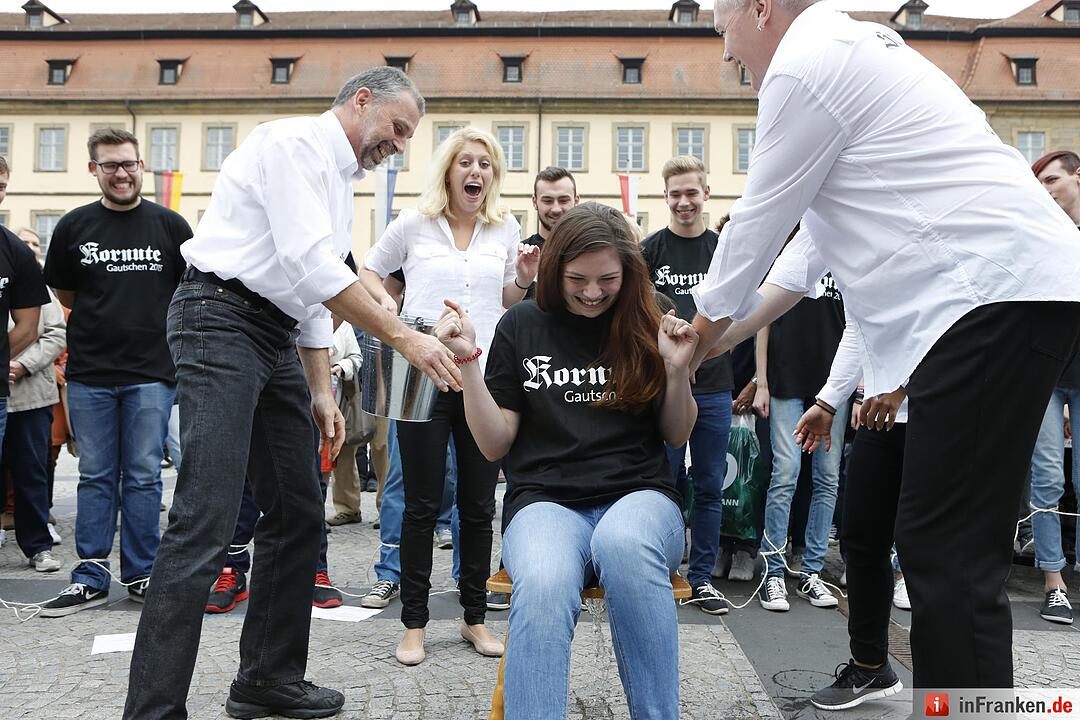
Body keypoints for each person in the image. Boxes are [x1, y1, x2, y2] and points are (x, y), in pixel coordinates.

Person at [692, 0, 1080, 688]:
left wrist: (695, 334)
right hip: (996, 299)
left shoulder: (805, 66)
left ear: (759, 8)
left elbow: (754, 225)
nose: (725, 52)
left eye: (723, 26)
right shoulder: (844, 62)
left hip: (987, 296)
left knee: (949, 559)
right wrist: (713, 343)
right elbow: (798, 262)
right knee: (943, 553)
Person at [121, 67, 458, 720]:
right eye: (395, 130)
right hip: (217, 316)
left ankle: (266, 680)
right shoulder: (292, 145)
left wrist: (320, 389)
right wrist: (406, 339)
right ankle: (152, 711)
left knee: (300, 511)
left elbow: (309, 297)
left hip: (273, 335)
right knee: (206, 516)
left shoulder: (337, 182)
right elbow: (314, 267)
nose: (396, 147)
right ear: (362, 101)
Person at [436, 202, 696, 718]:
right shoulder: (521, 325)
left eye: (608, 279)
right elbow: (494, 444)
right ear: (555, 270)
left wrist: (676, 371)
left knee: (622, 544)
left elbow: (676, 432)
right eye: (578, 278)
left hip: (640, 497)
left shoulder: (652, 318)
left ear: (629, 270)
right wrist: (468, 363)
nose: (593, 292)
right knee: (547, 581)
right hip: (546, 502)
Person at [360, 126, 539, 666]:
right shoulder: (414, 225)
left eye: (486, 164)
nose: (477, 172)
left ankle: (474, 619)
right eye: (466, 162)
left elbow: (507, 297)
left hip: (482, 378)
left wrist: (525, 280)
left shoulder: (505, 228)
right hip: (424, 374)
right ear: (448, 171)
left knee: (479, 505)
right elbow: (368, 272)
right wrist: (391, 318)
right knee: (420, 503)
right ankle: (413, 624)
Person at [40, 128, 190, 617]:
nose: (121, 173)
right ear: (94, 170)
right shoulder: (72, 226)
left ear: (141, 165)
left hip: (152, 373)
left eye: (128, 164)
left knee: (145, 476)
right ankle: (91, 575)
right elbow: (67, 296)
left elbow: (185, 296)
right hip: (90, 374)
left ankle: (143, 572)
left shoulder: (171, 227)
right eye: (110, 166)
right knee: (96, 475)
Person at [640, 155, 734, 615]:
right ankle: (666, 571)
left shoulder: (722, 251)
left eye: (691, 193)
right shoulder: (650, 250)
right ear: (666, 197)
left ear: (706, 194)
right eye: (675, 194)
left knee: (711, 484)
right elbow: (636, 315)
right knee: (666, 482)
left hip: (715, 386)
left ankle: (702, 579)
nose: (683, 202)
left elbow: (742, 312)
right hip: (665, 385)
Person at [1028, 149, 1080, 625]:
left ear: (1077, 178)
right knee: (1047, 480)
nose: (1045, 190)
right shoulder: (1042, 236)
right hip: (1046, 379)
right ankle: (1054, 580)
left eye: (1051, 180)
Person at [0, 154, 51, 560]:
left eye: (0, 186)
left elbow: (30, 328)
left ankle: (35, 545)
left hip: (11, 387)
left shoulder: (15, 251)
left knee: (29, 471)